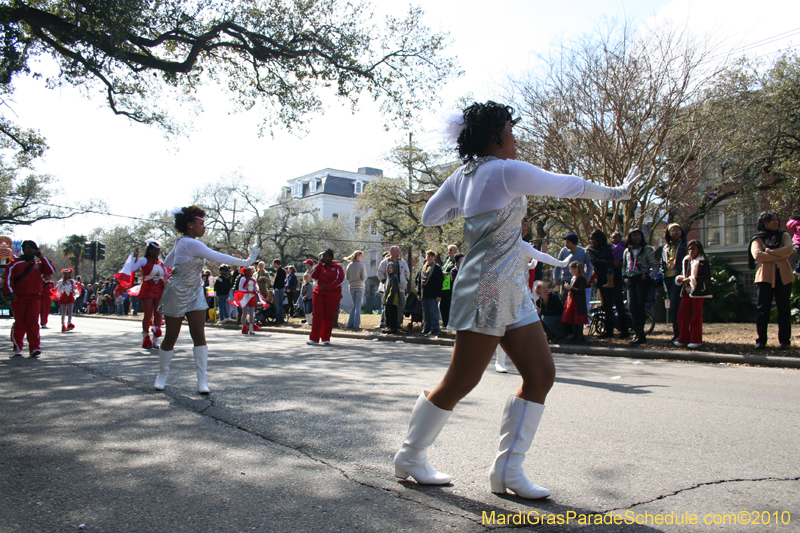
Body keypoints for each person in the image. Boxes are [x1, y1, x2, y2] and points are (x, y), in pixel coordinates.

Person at [394, 101, 638, 499]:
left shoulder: (464, 174)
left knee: (541, 373)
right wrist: (619, 192)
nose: (515, 136)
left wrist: (472, 208)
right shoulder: (506, 171)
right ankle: (410, 456)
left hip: (511, 290)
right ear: (496, 135)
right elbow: (570, 185)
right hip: (488, 287)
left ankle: (508, 470)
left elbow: (430, 216)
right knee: (461, 379)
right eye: (511, 129)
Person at [155, 206, 260, 394]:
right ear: (189, 224)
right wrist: (246, 262)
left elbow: (168, 263)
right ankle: (162, 375)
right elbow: (217, 256)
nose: (204, 228)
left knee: (199, 334)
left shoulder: (184, 243)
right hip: (177, 293)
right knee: (172, 335)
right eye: (201, 224)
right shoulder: (189, 243)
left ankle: (202, 380)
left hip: (195, 292)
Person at [749, 211, 793, 349]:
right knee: (763, 309)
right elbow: (757, 254)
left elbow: (789, 249)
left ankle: (785, 341)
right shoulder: (757, 238)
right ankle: (761, 340)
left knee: (784, 309)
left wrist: (769, 252)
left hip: (783, 276)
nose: (776, 222)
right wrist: (778, 256)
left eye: (776, 219)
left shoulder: (784, 235)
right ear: (764, 223)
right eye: (772, 220)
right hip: (765, 278)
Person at [3, 240, 55, 357]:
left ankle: (34, 347)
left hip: (35, 297)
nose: (30, 250)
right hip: (18, 298)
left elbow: (50, 271)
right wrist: (10, 292)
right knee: (20, 323)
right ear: (23, 249)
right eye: (27, 248)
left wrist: (42, 257)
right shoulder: (14, 263)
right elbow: (8, 279)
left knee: (33, 322)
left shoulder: (38, 264)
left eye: (32, 248)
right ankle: (18, 346)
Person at [121, 240, 169, 348]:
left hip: (159, 290)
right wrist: (134, 257)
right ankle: (145, 337)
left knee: (158, 315)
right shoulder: (144, 260)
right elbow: (132, 268)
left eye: (159, 251)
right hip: (147, 290)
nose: (157, 253)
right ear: (150, 250)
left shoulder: (162, 263)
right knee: (148, 315)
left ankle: (156, 339)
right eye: (155, 250)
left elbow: (166, 276)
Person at [587, 230, 628, 339]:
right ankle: (609, 331)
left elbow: (618, 259)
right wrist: (611, 263)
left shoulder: (610, 247)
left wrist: (614, 264)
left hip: (615, 278)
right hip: (602, 279)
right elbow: (595, 261)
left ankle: (624, 330)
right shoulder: (590, 250)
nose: (592, 241)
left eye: (594, 239)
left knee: (619, 303)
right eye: (591, 239)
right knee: (607, 305)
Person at [622, 228, 660, 345]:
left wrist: (649, 276)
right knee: (632, 306)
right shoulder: (627, 251)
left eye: (639, 235)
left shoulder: (647, 249)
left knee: (640, 306)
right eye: (634, 236)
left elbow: (655, 266)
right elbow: (624, 266)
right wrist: (624, 277)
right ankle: (637, 332)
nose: (636, 238)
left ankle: (641, 334)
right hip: (631, 280)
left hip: (642, 279)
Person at [674, 240, 712, 348]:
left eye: (693, 249)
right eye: (689, 249)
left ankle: (696, 339)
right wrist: (681, 278)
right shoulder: (686, 260)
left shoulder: (703, 261)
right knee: (682, 313)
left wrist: (692, 279)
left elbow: (707, 276)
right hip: (686, 291)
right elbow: (684, 272)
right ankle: (683, 338)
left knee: (696, 315)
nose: (691, 251)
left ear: (699, 249)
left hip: (698, 291)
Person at [307, 249, 344, 345]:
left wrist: (327, 286)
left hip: (332, 294)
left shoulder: (337, 267)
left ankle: (326, 338)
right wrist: (319, 264)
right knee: (317, 315)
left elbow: (340, 280)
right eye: (322, 256)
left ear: (330, 257)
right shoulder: (321, 266)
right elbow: (313, 275)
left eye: (325, 256)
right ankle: (314, 338)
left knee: (329, 316)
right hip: (319, 293)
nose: (323, 258)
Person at [553, 233, 593, 315]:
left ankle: (577, 321)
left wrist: (585, 279)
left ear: (573, 242)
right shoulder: (563, 251)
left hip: (578, 281)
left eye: (568, 242)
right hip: (566, 280)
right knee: (564, 301)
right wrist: (556, 279)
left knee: (577, 302)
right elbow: (558, 265)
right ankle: (564, 320)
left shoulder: (583, 252)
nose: (566, 244)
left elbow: (590, 267)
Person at [660, 223, 688, 342]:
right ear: (668, 233)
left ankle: (682, 334)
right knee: (672, 307)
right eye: (673, 230)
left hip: (679, 278)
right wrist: (662, 271)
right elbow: (663, 262)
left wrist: (683, 275)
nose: (675, 232)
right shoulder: (666, 247)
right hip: (668, 278)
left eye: (678, 230)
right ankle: (676, 333)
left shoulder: (685, 245)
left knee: (678, 306)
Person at [377, 246, 411, 330]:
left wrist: (405, 280)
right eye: (397, 250)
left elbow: (407, 273)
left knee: (399, 306)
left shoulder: (402, 262)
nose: (399, 252)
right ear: (391, 252)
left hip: (400, 288)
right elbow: (380, 273)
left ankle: (398, 324)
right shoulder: (385, 262)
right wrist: (386, 282)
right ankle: (388, 324)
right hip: (389, 289)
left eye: (399, 251)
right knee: (388, 306)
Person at [416, 250, 444, 336]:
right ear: (426, 257)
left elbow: (440, 282)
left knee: (433, 311)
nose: (430, 258)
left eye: (432, 256)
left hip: (433, 294)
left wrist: (439, 295)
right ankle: (426, 328)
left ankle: (435, 328)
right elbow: (420, 282)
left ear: (434, 258)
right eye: (429, 256)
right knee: (426, 312)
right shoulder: (423, 268)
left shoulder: (437, 268)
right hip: (424, 294)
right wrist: (419, 293)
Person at [561, 261, 588, 343]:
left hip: (578, 302)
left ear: (575, 269)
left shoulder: (581, 278)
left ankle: (580, 336)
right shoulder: (573, 278)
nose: (570, 271)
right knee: (573, 319)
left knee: (579, 319)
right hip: (573, 300)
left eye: (571, 269)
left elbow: (581, 291)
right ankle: (575, 335)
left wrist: (571, 288)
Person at [344, 250, 368, 329]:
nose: (362, 257)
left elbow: (347, 277)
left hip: (351, 286)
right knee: (358, 305)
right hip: (360, 286)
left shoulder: (349, 265)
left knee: (353, 305)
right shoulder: (362, 265)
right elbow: (364, 277)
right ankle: (356, 324)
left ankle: (350, 324)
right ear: (357, 256)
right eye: (361, 256)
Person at [234, 266, 259, 335]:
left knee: (252, 313)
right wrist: (247, 291)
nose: (249, 272)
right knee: (244, 313)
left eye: (250, 271)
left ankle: (251, 328)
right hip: (245, 297)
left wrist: (256, 290)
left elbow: (256, 287)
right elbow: (240, 288)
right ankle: (244, 327)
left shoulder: (254, 279)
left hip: (252, 297)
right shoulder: (243, 279)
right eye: (248, 271)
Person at [439, 245, 459, 328]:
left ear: (455, 251)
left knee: (449, 305)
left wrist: (447, 274)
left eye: (450, 250)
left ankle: (450, 323)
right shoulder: (446, 261)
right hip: (444, 285)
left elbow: (456, 271)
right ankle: (445, 322)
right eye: (448, 250)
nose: (448, 252)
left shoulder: (456, 261)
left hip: (451, 286)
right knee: (442, 305)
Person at [382, 263, 401, 334]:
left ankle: (393, 327)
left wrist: (390, 297)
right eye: (388, 268)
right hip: (387, 298)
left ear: (394, 269)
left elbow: (393, 289)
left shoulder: (394, 277)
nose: (389, 269)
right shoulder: (388, 277)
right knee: (387, 314)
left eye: (391, 268)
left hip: (392, 299)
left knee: (392, 313)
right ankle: (388, 326)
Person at [272, 259, 287, 324]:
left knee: (279, 304)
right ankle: (277, 317)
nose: (273, 265)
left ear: (277, 264)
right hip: (276, 289)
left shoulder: (282, 271)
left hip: (279, 289)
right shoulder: (277, 271)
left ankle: (280, 318)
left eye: (274, 264)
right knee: (276, 304)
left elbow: (281, 280)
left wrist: (277, 287)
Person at [786, 212, 800, 276]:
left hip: (795, 243)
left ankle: (798, 270)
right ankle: (798, 270)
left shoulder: (794, 224)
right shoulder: (798, 224)